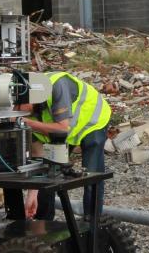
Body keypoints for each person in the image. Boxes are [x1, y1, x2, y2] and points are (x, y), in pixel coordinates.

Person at [17, 71, 111, 221]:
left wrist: (28, 123)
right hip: (61, 132)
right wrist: (32, 195)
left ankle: (93, 222)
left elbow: (62, 128)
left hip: (92, 121)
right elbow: (39, 161)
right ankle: (44, 223)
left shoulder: (57, 86)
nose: (17, 110)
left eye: (18, 105)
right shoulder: (26, 113)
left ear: (32, 96)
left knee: (91, 175)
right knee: (50, 173)